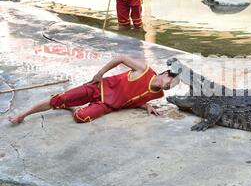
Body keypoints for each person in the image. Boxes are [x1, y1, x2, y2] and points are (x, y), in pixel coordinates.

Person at [8, 55, 179, 124]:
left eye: (172, 86)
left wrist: (146, 106)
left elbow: (132, 99)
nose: (169, 85)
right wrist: (100, 73)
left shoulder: (157, 94)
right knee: (58, 99)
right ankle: (22, 115)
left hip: (108, 106)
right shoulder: (144, 70)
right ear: (164, 73)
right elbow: (119, 58)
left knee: (82, 117)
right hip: (99, 88)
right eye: (170, 80)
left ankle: (72, 106)